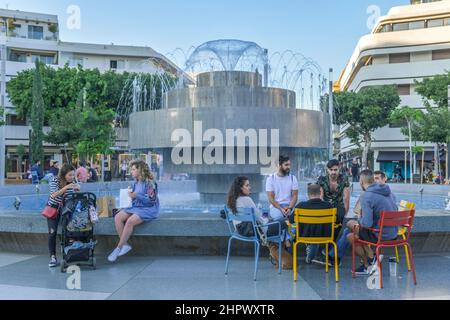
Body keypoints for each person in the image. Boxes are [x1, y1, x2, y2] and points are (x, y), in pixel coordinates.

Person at [347, 170, 398, 275]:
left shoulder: (366, 196)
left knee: (350, 231)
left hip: (380, 235)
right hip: (394, 233)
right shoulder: (389, 193)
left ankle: (369, 262)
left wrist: (360, 218)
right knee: (354, 233)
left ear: (361, 182)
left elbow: (367, 224)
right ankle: (371, 259)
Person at [108, 159, 160, 262]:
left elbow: (152, 200)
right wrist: (125, 206)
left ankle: (118, 248)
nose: (131, 172)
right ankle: (125, 245)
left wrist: (136, 195)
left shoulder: (150, 183)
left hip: (148, 208)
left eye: (133, 169)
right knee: (118, 217)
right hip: (137, 207)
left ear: (140, 170)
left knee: (130, 221)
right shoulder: (136, 183)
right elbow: (134, 199)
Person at [46, 164, 80, 267]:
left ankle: (68, 255)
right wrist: (67, 187)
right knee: (52, 233)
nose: (72, 177)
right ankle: (53, 257)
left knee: (69, 231)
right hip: (53, 208)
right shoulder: (54, 180)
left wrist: (77, 190)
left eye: (73, 175)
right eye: (70, 175)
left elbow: (74, 198)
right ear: (63, 174)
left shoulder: (72, 182)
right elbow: (53, 194)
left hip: (66, 209)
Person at [289, 184, 333, 264]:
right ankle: (313, 252)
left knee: (294, 227)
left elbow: (291, 220)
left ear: (308, 194)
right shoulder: (328, 206)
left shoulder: (301, 206)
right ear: (320, 193)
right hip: (324, 237)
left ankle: (306, 250)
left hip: (304, 236)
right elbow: (336, 221)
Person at [266, 155, 299, 248]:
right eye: (286, 165)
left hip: (289, 205)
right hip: (276, 207)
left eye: (289, 164)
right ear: (279, 165)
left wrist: (290, 207)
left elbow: (295, 196)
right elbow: (271, 198)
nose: (289, 167)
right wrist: (280, 208)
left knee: (294, 218)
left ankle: (285, 240)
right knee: (280, 217)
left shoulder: (293, 178)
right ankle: (288, 240)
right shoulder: (271, 179)